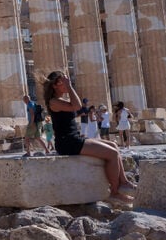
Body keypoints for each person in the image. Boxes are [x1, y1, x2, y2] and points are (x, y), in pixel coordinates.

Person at [43, 71, 135, 204]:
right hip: (67, 142)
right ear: (54, 86)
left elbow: (74, 109)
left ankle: (124, 182)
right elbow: (77, 106)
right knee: (112, 154)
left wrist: (68, 87)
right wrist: (69, 87)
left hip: (74, 138)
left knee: (114, 146)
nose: (65, 84)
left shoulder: (60, 100)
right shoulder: (53, 102)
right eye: (61, 82)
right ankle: (114, 192)